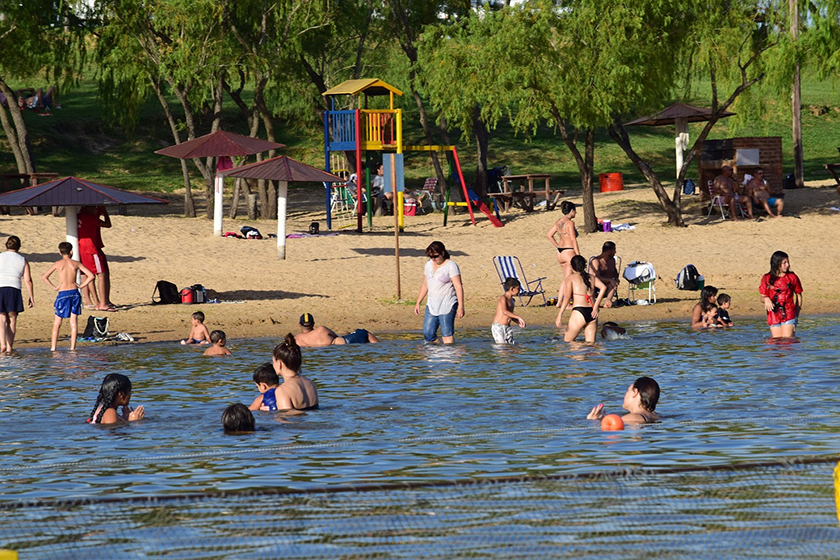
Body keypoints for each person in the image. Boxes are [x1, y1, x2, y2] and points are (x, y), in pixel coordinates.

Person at [42, 242, 95, 351]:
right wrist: (81, 285)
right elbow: (91, 275)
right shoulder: (75, 263)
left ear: (60, 252)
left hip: (63, 293)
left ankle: (53, 347)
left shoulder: (58, 264)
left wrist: (54, 287)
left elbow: (44, 277)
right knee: (73, 321)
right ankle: (72, 347)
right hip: (74, 292)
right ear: (71, 251)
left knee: (57, 321)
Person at [251, 334, 319, 411]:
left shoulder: (282, 390)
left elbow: (287, 419)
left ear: (279, 363)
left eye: (273, 362)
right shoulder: (310, 383)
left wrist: (271, 413)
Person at [415, 241, 465, 344]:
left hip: (448, 302)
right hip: (432, 303)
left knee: (447, 333)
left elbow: (458, 286)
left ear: (442, 253)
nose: (433, 259)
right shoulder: (428, 265)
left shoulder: (451, 265)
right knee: (428, 333)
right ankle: (438, 351)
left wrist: (461, 306)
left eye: (436, 256)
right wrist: (418, 302)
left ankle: (448, 356)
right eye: (431, 256)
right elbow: (425, 284)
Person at [555, 255, 606, 343]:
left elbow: (567, 298)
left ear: (571, 266)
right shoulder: (592, 277)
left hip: (579, 312)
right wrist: (596, 307)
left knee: (568, 342)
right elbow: (603, 288)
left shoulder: (570, 278)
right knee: (590, 345)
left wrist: (559, 315)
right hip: (592, 312)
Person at [77, 206, 115, 311]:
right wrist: (105, 213)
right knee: (101, 274)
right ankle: (102, 303)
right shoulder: (90, 217)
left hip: (82, 248)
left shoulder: (78, 216)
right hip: (91, 249)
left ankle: (92, 301)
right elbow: (108, 224)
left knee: (86, 274)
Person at [0, 236, 34, 353]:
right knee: (12, 318)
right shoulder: (22, 259)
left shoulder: (0, 256)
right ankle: (9, 346)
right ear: (19, 246)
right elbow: (27, 280)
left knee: (2, 317)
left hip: (1, 287)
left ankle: (2, 344)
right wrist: (31, 296)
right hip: (14, 288)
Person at [759, 250, 803, 338]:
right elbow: (762, 296)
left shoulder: (792, 277)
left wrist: (796, 314)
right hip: (773, 314)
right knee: (776, 342)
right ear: (777, 264)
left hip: (789, 312)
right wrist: (766, 299)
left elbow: (799, 294)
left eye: (788, 262)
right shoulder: (766, 278)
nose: (788, 265)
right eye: (784, 263)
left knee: (787, 342)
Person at [586, 376, 660, 425]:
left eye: (628, 390)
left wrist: (592, 421)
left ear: (635, 392)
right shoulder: (655, 416)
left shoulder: (631, 418)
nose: (625, 394)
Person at [294, 313, 380, 347]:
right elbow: (336, 336)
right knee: (365, 333)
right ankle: (377, 346)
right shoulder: (321, 329)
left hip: (340, 346)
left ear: (299, 324)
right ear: (313, 324)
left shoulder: (297, 339)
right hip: (343, 343)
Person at [546, 201, 580, 282]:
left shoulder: (558, 222)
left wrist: (557, 246)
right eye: (575, 211)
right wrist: (578, 255)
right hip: (568, 251)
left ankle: (563, 295)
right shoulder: (570, 222)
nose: (575, 213)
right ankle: (563, 295)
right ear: (572, 210)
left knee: (566, 278)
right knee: (569, 279)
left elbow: (549, 235)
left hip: (560, 253)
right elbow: (573, 239)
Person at [492, 277, 526, 344]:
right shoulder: (503, 298)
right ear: (512, 289)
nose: (519, 291)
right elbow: (505, 312)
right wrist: (518, 317)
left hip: (507, 327)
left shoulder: (512, 300)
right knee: (502, 347)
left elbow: (510, 315)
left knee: (510, 345)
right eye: (518, 289)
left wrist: (518, 322)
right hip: (498, 327)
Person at [590, 241, 620, 307]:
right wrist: (609, 280)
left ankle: (608, 301)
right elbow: (594, 277)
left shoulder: (612, 261)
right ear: (609, 251)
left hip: (606, 283)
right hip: (595, 284)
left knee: (612, 283)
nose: (615, 252)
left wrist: (615, 279)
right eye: (614, 250)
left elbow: (614, 273)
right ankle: (595, 303)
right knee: (610, 282)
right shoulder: (596, 261)